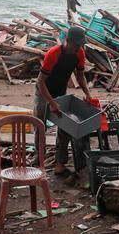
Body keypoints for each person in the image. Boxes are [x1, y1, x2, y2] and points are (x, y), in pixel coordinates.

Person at [35, 26, 93, 177]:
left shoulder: (79, 53)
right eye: (76, 44)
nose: (78, 47)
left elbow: (80, 76)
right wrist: (51, 103)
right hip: (44, 90)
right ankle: (38, 157)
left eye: (81, 45)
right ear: (68, 41)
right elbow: (40, 81)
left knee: (65, 124)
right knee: (40, 123)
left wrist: (87, 93)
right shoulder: (53, 54)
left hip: (61, 90)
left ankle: (60, 163)